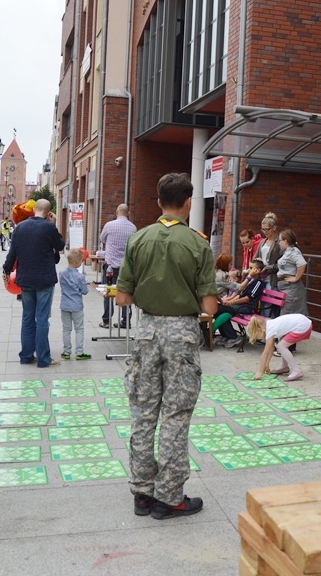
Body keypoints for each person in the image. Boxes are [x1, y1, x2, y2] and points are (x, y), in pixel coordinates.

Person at [115, 172, 217, 520]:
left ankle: (142, 492)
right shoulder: (198, 244)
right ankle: (169, 496)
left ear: (158, 202)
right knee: (176, 414)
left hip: (146, 331)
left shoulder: (139, 239)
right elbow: (209, 307)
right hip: (183, 334)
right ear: (188, 203)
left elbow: (123, 297)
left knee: (144, 413)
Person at [3, 199, 65, 368]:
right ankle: (44, 358)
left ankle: (26, 355)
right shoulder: (48, 227)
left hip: (26, 279)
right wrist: (54, 225)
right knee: (42, 318)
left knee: (28, 317)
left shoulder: (20, 228)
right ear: (48, 212)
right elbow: (59, 246)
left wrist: (6, 271)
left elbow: (12, 254)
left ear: (35, 210)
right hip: (44, 279)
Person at [99, 203, 137, 329]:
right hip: (126, 267)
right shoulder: (133, 228)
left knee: (108, 291)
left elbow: (102, 239)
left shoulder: (109, 225)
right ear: (128, 213)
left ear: (117, 212)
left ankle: (106, 320)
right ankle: (126, 321)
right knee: (126, 292)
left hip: (110, 265)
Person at [214, 259, 267, 347]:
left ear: (257, 270)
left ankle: (233, 337)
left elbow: (247, 298)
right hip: (240, 305)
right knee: (220, 309)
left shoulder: (258, 283)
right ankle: (226, 336)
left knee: (224, 311)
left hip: (247, 307)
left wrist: (231, 303)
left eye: (251, 268)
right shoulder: (250, 281)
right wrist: (229, 300)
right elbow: (240, 294)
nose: (248, 270)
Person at [247, 314, 313, 381]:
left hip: (302, 325)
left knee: (281, 346)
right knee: (282, 345)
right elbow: (271, 348)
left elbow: (265, 353)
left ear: (260, 329)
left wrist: (260, 371)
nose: (258, 339)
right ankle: (284, 366)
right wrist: (266, 364)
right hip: (303, 322)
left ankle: (296, 370)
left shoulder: (270, 329)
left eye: (256, 336)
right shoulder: (269, 324)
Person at [59, 247, 91, 360]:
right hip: (76, 306)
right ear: (78, 262)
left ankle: (66, 351)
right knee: (79, 329)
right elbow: (85, 291)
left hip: (64, 305)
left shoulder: (61, 274)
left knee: (66, 329)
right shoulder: (80, 276)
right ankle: (79, 352)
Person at [276, 229, 309, 316]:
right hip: (286, 288)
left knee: (287, 315)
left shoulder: (293, 251)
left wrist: (296, 278)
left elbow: (302, 264)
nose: (279, 243)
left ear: (285, 241)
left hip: (291, 290)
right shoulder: (286, 252)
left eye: (280, 240)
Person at [257, 213, 284, 291]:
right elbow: (255, 258)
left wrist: (267, 268)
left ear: (274, 228)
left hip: (273, 279)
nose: (265, 232)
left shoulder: (280, 242)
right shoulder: (262, 242)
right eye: (263, 229)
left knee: (269, 302)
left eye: (267, 229)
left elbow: (283, 262)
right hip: (261, 277)